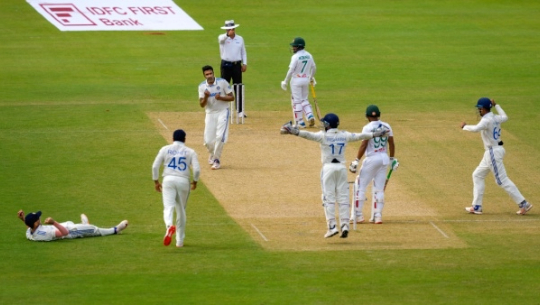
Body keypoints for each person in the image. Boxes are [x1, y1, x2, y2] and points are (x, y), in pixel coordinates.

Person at [280, 113, 387, 238]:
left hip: (328, 168)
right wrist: (375, 134)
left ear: (327, 125)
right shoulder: (344, 135)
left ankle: (332, 226)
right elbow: (360, 136)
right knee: (343, 197)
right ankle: (345, 225)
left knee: (328, 198)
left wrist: (293, 131)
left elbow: (308, 135)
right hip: (341, 168)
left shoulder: (323, 136)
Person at [460, 97, 533, 215]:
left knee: (501, 180)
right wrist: (497, 105)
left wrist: (465, 127)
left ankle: (523, 203)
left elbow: (476, 129)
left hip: (493, 152)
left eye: (479, 108)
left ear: (484, 109)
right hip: (493, 151)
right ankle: (477, 206)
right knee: (477, 175)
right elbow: (505, 117)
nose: (479, 111)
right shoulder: (495, 117)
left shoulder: (486, 120)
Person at [348, 105, 397, 225]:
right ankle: (377, 216)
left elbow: (364, 144)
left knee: (360, 185)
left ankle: (357, 215)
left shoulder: (367, 127)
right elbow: (391, 143)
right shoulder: (387, 126)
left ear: (367, 116)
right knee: (379, 189)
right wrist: (392, 159)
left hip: (371, 158)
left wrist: (356, 160)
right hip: (384, 159)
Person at [152, 129, 201, 248]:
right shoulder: (190, 151)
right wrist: (195, 181)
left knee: (168, 207)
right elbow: (197, 169)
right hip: (183, 181)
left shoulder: (165, 149)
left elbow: (155, 166)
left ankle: (169, 226)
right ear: (185, 139)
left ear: (173, 139)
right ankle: (179, 241)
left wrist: (156, 181)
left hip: (168, 180)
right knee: (181, 210)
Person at [198, 65, 235, 170]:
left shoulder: (222, 82)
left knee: (220, 137)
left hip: (223, 111)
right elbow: (201, 104)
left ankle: (217, 160)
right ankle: (212, 154)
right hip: (210, 113)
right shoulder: (201, 86)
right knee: (208, 141)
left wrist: (221, 97)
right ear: (204, 75)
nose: (209, 76)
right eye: (207, 74)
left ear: (213, 73)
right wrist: (205, 96)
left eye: (210, 73)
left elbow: (232, 97)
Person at [17, 210, 128, 242]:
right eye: (38, 218)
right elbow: (64, 233)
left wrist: (23, 219)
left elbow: (29, 228)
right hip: (71, 232)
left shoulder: (31, 232)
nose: (40, 218)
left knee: (79, 225)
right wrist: (53, 222)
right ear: (36, 223)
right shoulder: (44, 233)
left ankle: (84, 225)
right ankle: (115, 230)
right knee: (94, 229)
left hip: (65, 226)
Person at [281, 37, 317, 128]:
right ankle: (310, 115)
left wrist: (285, 81)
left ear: (298, 47)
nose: (293, 48)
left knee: (296, 101)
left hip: (296, 81)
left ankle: (299, 122)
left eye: (294, 46)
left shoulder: (295, 57)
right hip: (305, 80)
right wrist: (311, 77)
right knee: (304, 99)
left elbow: (291, 70)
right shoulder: (309, 55)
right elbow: (314, 67)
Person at [218, 20, 247, 119]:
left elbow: (243, 52)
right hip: (226, 64)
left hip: (236, 65)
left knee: (238, 86)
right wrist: (227, 35)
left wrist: (245, 63)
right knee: (225, 87)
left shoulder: (240, 39)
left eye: (232, 29)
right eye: (228, 29)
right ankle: (226, 110)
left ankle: (240, 111)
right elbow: (221, 40)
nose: (230, 31)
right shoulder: (222, 37)